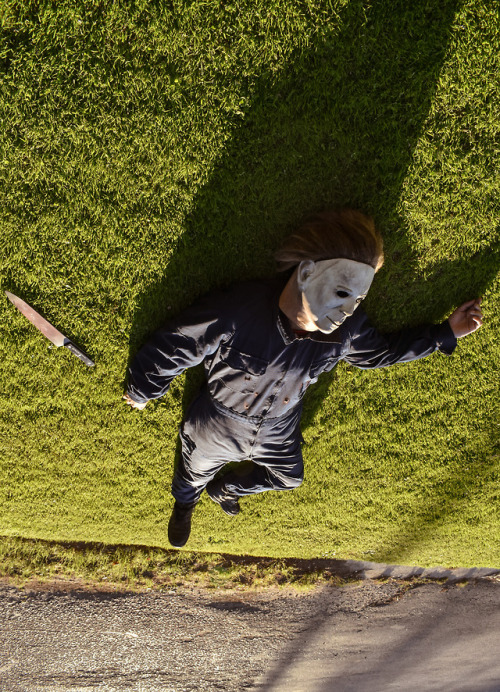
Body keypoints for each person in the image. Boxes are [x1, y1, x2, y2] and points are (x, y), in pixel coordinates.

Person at [124, 209, 483, 548]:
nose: (345, 311)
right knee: (192, 473)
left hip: (279, 428)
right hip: (218, 422)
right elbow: (177, 343)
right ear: (307, 272)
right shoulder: (239, 310)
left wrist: (444, 334)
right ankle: (185, 505)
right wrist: (143, 389)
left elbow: (380, 354)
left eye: (357, 301)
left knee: (289, 477)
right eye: (342, 294)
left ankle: (228, 489)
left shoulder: (348, 331)